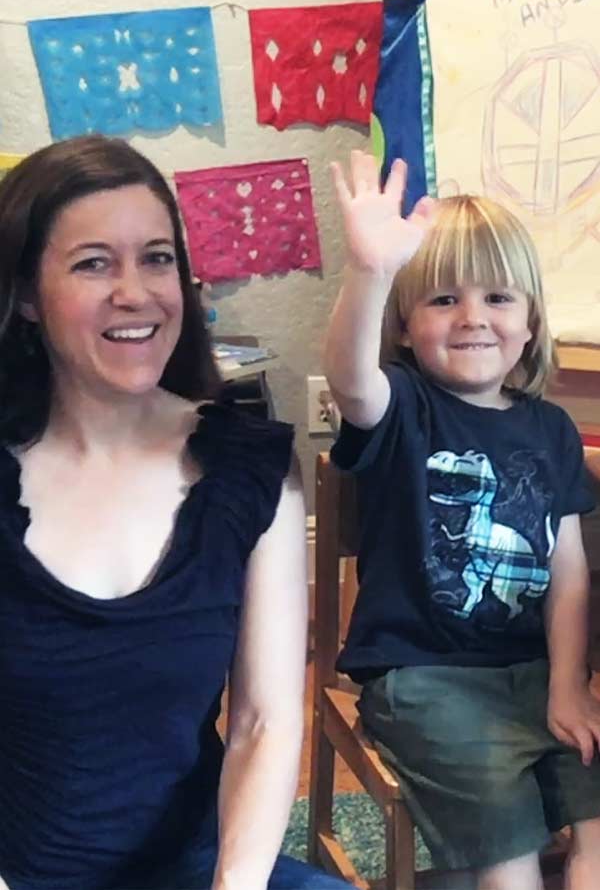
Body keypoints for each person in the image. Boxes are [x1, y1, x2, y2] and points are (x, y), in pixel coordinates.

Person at [0, 135, 353, 890]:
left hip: (203, 872)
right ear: (28, 295)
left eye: (156, 258)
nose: (136, 292)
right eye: (93, 262)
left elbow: (264, 722)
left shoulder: (248, 469)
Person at [324, 149, 600, 890]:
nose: (473, 316)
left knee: (597, 829)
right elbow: (351, 382)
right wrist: (369, 272)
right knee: (507, 856)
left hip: (532, 672)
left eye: (498, 299)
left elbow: (569, 573)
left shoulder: (551, 431)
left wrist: (569, 682)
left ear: (531, 319)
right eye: (443, 299)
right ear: (406, 326)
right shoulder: (400, 405)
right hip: (423, 679)